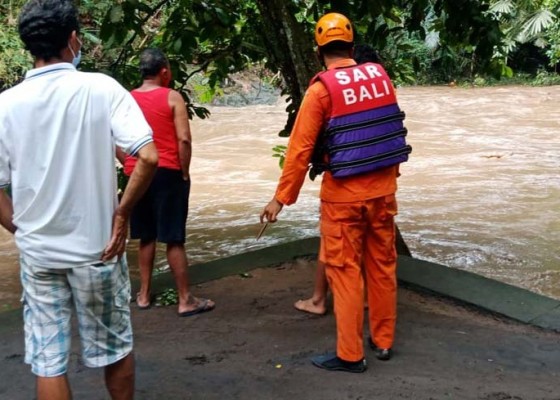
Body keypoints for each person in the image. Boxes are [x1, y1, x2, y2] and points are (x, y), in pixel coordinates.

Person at [0, 0, 159, 398]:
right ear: (73, 39)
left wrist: (20, 228)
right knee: (115, 348)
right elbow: (148, 156)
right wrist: (122, 214)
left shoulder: (5, 105)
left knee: (49, 359)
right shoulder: (100, 88)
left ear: (28, 46)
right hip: (97, 250)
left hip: (39, 255)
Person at [260, 12, 411, 373]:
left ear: (318, 52)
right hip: (383, 192)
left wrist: (281, 198)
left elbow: (299, 150)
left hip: (344, 197)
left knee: (343, 272)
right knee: (383, 267)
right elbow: (388, 132)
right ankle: (384, 341)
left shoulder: (320, 90)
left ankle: (350, 354)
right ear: (352, 46)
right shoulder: (380, 77)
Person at [117, 48, 215, 317]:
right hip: (167, 172)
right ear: (164, 72)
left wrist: (129, 163)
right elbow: (184, 139)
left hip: (137, 173)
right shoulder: (172, 97)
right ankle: (185, 299)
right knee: (173, 238)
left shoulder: (126, 99)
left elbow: (115, 139)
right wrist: (183, 172)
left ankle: (144, 294)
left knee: (145, 236)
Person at [293, 43, 385, 317]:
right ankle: (360, 306)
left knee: (335, 244)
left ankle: (321, 301)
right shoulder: (377, 89)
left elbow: (301, 150)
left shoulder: (329, 90)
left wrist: (282, 198)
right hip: (378, 187)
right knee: (370, 249)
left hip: (345, 189)